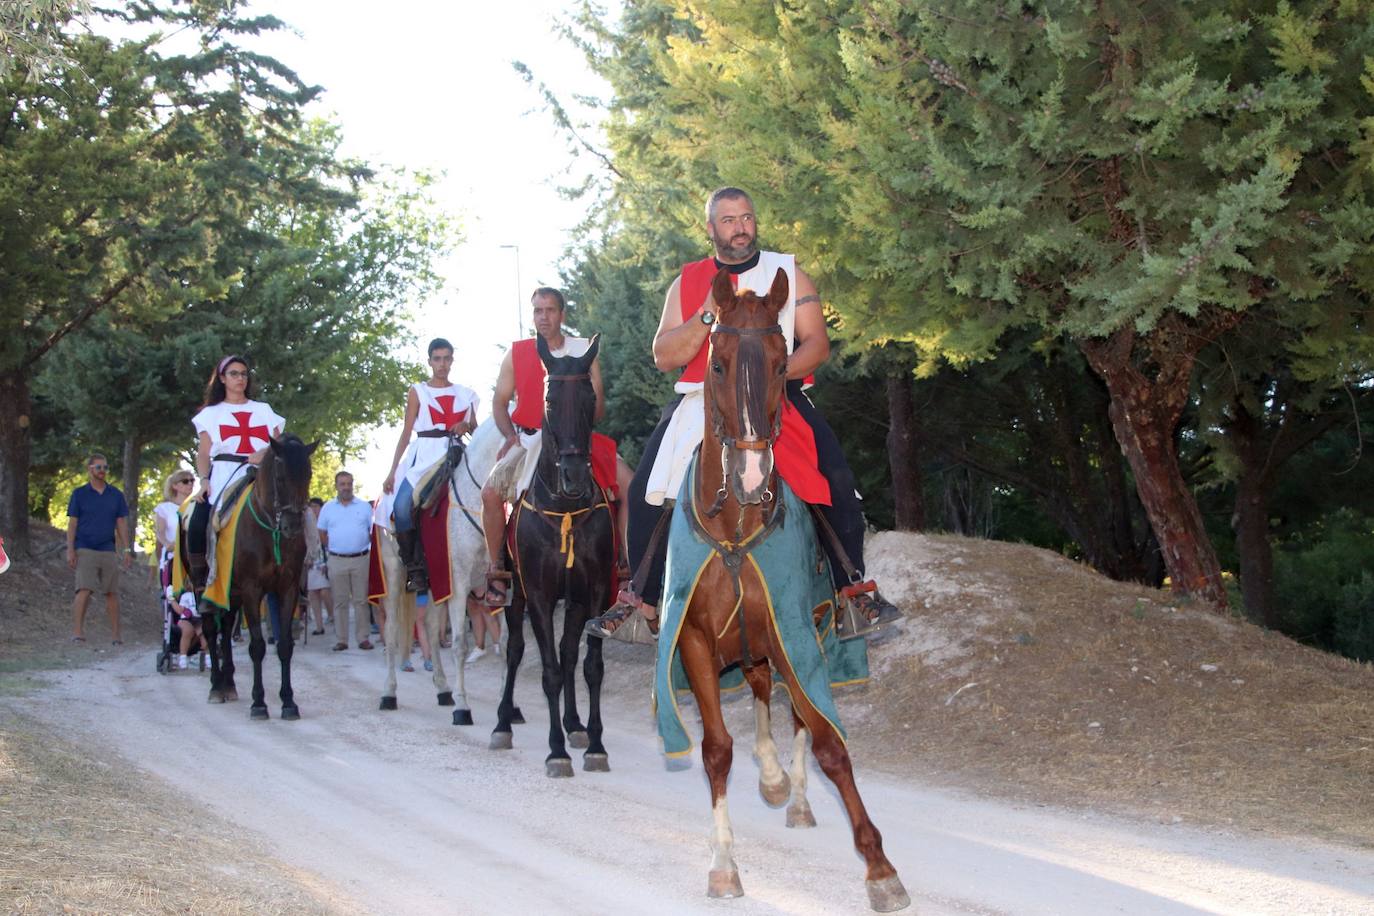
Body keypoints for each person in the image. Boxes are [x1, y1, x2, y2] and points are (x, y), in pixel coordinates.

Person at [588, 187, 900, 639]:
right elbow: (664, 354)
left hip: (779, 394)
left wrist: (770, 376)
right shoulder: (688, 280)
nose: (741, 227)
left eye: (747, 217)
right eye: (730, 219)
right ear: (711, 228)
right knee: (644, 491)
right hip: (702, 396)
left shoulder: (788, 272)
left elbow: (817, 344)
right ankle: (642, 604)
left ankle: (855, 594)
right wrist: (707, 315)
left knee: (835, 477)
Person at [479, 287, 633, 629]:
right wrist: (510, 436)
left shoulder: (583, 350)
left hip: (576, 442)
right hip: (530, 439)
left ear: (562, 314)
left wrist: (574, 423)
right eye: (537, 310)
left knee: (631, 486)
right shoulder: (517, 353)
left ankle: (623, 566)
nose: (543, 317)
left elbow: (600, 406)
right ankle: (498, 570)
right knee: (490, 494)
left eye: (549, 310)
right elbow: (500, 403)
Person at [381, 338, 479, 593]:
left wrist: (466, 425)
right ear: (429, 361)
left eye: (447, 358)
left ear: (452, 361)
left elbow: (477, 430)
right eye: (437, 359)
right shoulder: (418, 391)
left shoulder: (465, 394)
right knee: (401, 506)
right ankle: (414, 568)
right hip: (423, 456)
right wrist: (392, 470)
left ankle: (494, 560)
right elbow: (405, 433)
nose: (442, 364)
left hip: (455, 452)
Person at [187, 355, 285, 598]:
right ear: (222, 378)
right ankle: (201, 578)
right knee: (198, 518)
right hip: (225, 474)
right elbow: (203, 453)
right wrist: (205, 481)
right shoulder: (211, 414)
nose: (240, 378)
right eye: (234, 373)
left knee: (297, 514)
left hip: (263, 474)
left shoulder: (263, 410)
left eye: (243, 373)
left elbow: (279, 443)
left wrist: (264, 451)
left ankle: (295, 577)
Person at [66, 453, 132, 643]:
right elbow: (72, 524)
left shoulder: (116, 495)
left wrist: (127, 549)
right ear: (90, 469)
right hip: (85, 547)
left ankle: (115, 635)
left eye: (105, 467)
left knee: (111, 592)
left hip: (108, 549)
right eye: (98, 467)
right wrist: (70, 549)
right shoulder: (79, 494)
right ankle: (78, 632)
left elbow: (121, 523)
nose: (102, 471)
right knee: (84, 589)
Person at [318, 471, 375, 651]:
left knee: (361, 600)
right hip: (337, 559)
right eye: (342, 484)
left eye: (349, 483)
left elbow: (371, 531)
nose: (346, 487)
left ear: (353, 485)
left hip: (361, 559)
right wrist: (334, 548)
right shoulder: (327, 508)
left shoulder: (365, 507)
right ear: (336, 486)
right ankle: (342, 640)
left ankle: (363, 638)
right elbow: (322, 533)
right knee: (340, 601)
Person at [155, 470, 204, 667]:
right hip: (172, 560)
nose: (190, 484)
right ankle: (174, 640)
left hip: (191, 561)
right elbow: (159, 531)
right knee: (173, 598)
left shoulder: (195, 506)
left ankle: (198, 645)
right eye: (185, 481)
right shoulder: (164, 508)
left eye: (192, 481)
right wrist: (167, 543)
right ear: (174, 485)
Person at [304, 497, 330, 635]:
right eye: (311, 506)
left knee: (325, 592)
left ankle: (332, 616)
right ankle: (319, 626)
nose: (314, 509)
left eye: (316, 506)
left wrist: (328, 562)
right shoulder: (306, 520)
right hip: (311, 560)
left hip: (327, 559)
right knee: (313, 593)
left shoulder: (326, 520)